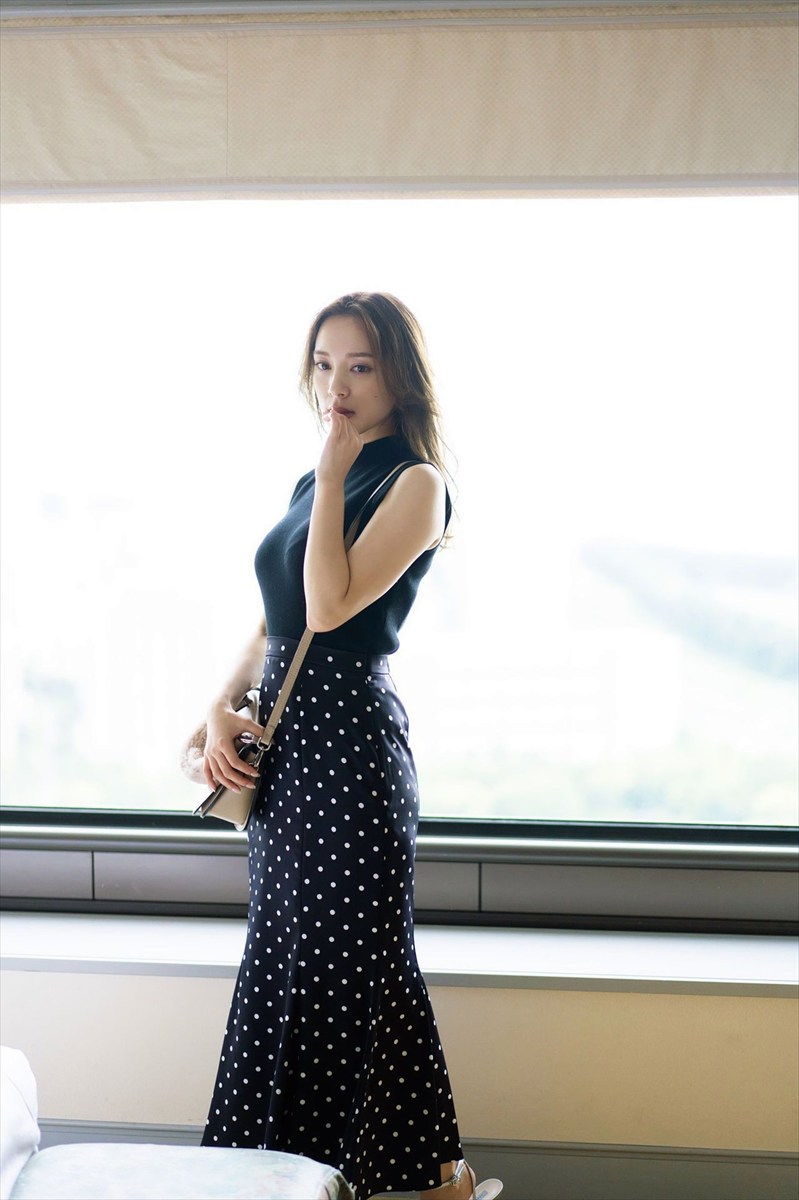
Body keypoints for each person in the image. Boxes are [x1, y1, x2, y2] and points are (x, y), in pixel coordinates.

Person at [199, 292, 502, 1200]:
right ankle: (430, 1180)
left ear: (398, 377)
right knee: (296, 959)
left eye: (360, 367)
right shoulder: (312, 482)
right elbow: (275, 622)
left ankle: (343, 1176)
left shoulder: (415, 484)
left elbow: (330, 609)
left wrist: (332, 480)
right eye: (325, 364)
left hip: (351, 752)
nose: (336, 385)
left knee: (353, 970)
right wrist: (219, 708)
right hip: (291, 750)